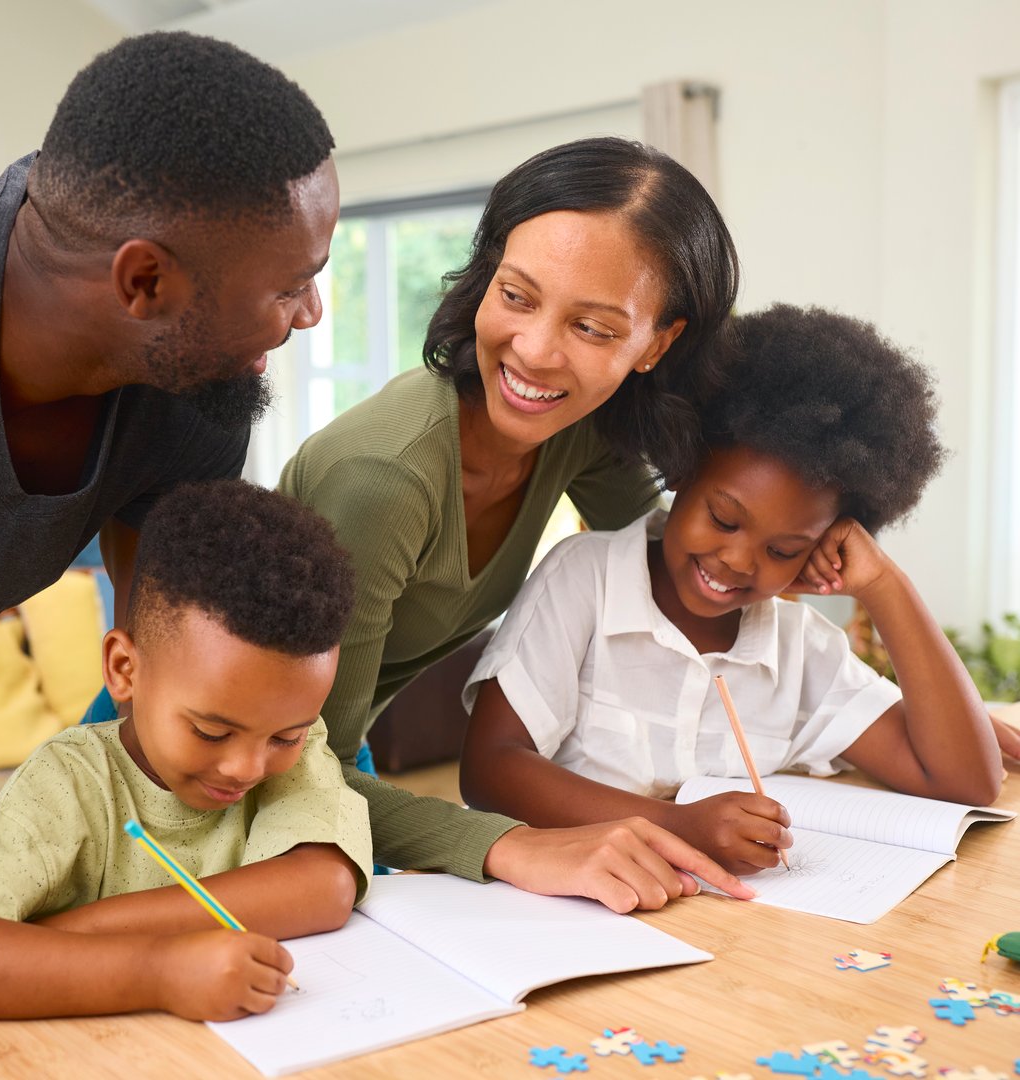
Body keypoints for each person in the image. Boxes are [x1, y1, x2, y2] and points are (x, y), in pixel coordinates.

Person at [279, 136, 756, 912]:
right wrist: (511, 841)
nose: (533, 352)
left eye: (593, 328)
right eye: (517, 296)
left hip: (333, 757)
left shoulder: (580, 435)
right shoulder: (384, 481)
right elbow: (291, 769)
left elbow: (680, 569)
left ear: (657, 344)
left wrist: (876, 653)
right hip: (195, 762)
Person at [458, 304, 1003, 876]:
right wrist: (677, 826)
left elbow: (966, 780)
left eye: (784, 551)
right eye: (723, 518)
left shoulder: (798, 648)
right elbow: (489, 769)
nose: (738, 561)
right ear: (681, 469)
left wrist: (884, 585)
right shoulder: (586, 578)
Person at [0, 30, 339, 652]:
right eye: (291, 286)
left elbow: (163, 676)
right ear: (145, 281)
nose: (312, 313)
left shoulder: (195, 395)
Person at [0, 480, 371, 1021]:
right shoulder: (69, 783)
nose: (247, 767)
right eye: (212, 732)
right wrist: (160, 971)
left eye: (285, 737)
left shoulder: (298, 749)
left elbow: (323, 885)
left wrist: (60, 937)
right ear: (125, 669)